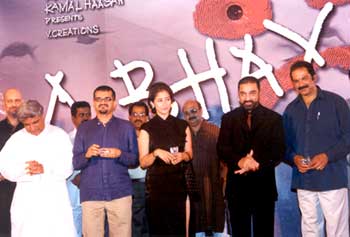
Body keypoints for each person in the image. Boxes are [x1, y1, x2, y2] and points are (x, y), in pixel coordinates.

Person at [283, 60, 350, 236]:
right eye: (296, 81)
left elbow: (348, 138)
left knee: (338, 231)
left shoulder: (336, 103)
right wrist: (294, 159)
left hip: (332, 179)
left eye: (304, 78)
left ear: (314, 77)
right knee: (310, 230)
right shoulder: (290, 111)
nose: (301, 84)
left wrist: (328, 156)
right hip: (304, 181)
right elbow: (285, 147)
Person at [217, 76, 285, 237]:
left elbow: (278, 151)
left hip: (264, 189)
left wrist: (256, 163)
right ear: (238, 95)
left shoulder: (274, 119)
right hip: (237, 190)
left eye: (252, 93)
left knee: (265, 232)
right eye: (243, 93)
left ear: (259, 93)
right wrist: (240, 161)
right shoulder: (228, 119)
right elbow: (222, 149)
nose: (247, 98)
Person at [0, 100, 76, 237]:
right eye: (27, 125)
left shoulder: (59, 136)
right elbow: (4, 167)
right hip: (26, 199)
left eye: (35, 122)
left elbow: (68, 166)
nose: (32, 128)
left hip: (54, 197)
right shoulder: (16, 139)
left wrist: (45, 168)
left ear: (42, 115)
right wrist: (25, 168)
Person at [73, 85, 139, 237]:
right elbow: (76, 163)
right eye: (99, 99)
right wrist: (87, 154)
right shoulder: (84, 129)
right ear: (94, 103)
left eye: (107, 99)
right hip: (91, 194)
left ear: (114, 103)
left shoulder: (126, 127)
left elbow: (135, 160)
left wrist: (119, 154)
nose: (103, 102)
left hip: (120, 192)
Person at [138, 82, 193, 237]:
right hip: (156, 189)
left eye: (167, 99)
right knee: (158, 230)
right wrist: (155, 153)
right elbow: (142, 163)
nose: (164, 104)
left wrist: (183, 155)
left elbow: (190, 154)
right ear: (152, 104)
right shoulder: (146, 129)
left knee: (179, 230)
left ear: (172, 101)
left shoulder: (182, 125)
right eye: (160, 100)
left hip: (178, 186)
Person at [182, 100, 225, 237]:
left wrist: (224, 186)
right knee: (194, 228)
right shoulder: (182, 136)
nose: (191, 115)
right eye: (187, 113)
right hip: (191, 191)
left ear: (201, 111)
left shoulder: (215, 132)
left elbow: (226, 163)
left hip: (214, 190)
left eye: (194, 111)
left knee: (216, 228)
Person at [0, 88, 23, 237]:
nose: (13, 104)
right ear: (4, 104)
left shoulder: (31, 127)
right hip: (3, 188)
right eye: (10, 101)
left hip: (25, 185)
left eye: (17, 100)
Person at [68, 101, 92, 237]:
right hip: (73, 187)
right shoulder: (66, 139)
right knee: (75, 224)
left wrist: (85, 175)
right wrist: (75, 177)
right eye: (81, 115)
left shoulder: (99, 135)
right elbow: (63, 164)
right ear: (73, 118)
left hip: (94, 188)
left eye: (88, 114)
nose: (86, 118)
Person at [128, 101, 150, 237]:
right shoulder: (124, 136)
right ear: (129, 117)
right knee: (136, 223)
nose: (138, 117)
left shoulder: (152, 134)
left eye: (142, 114)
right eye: (135, 114)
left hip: (152, 184)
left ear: (147, 116)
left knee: (152, 221)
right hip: (133, 185)